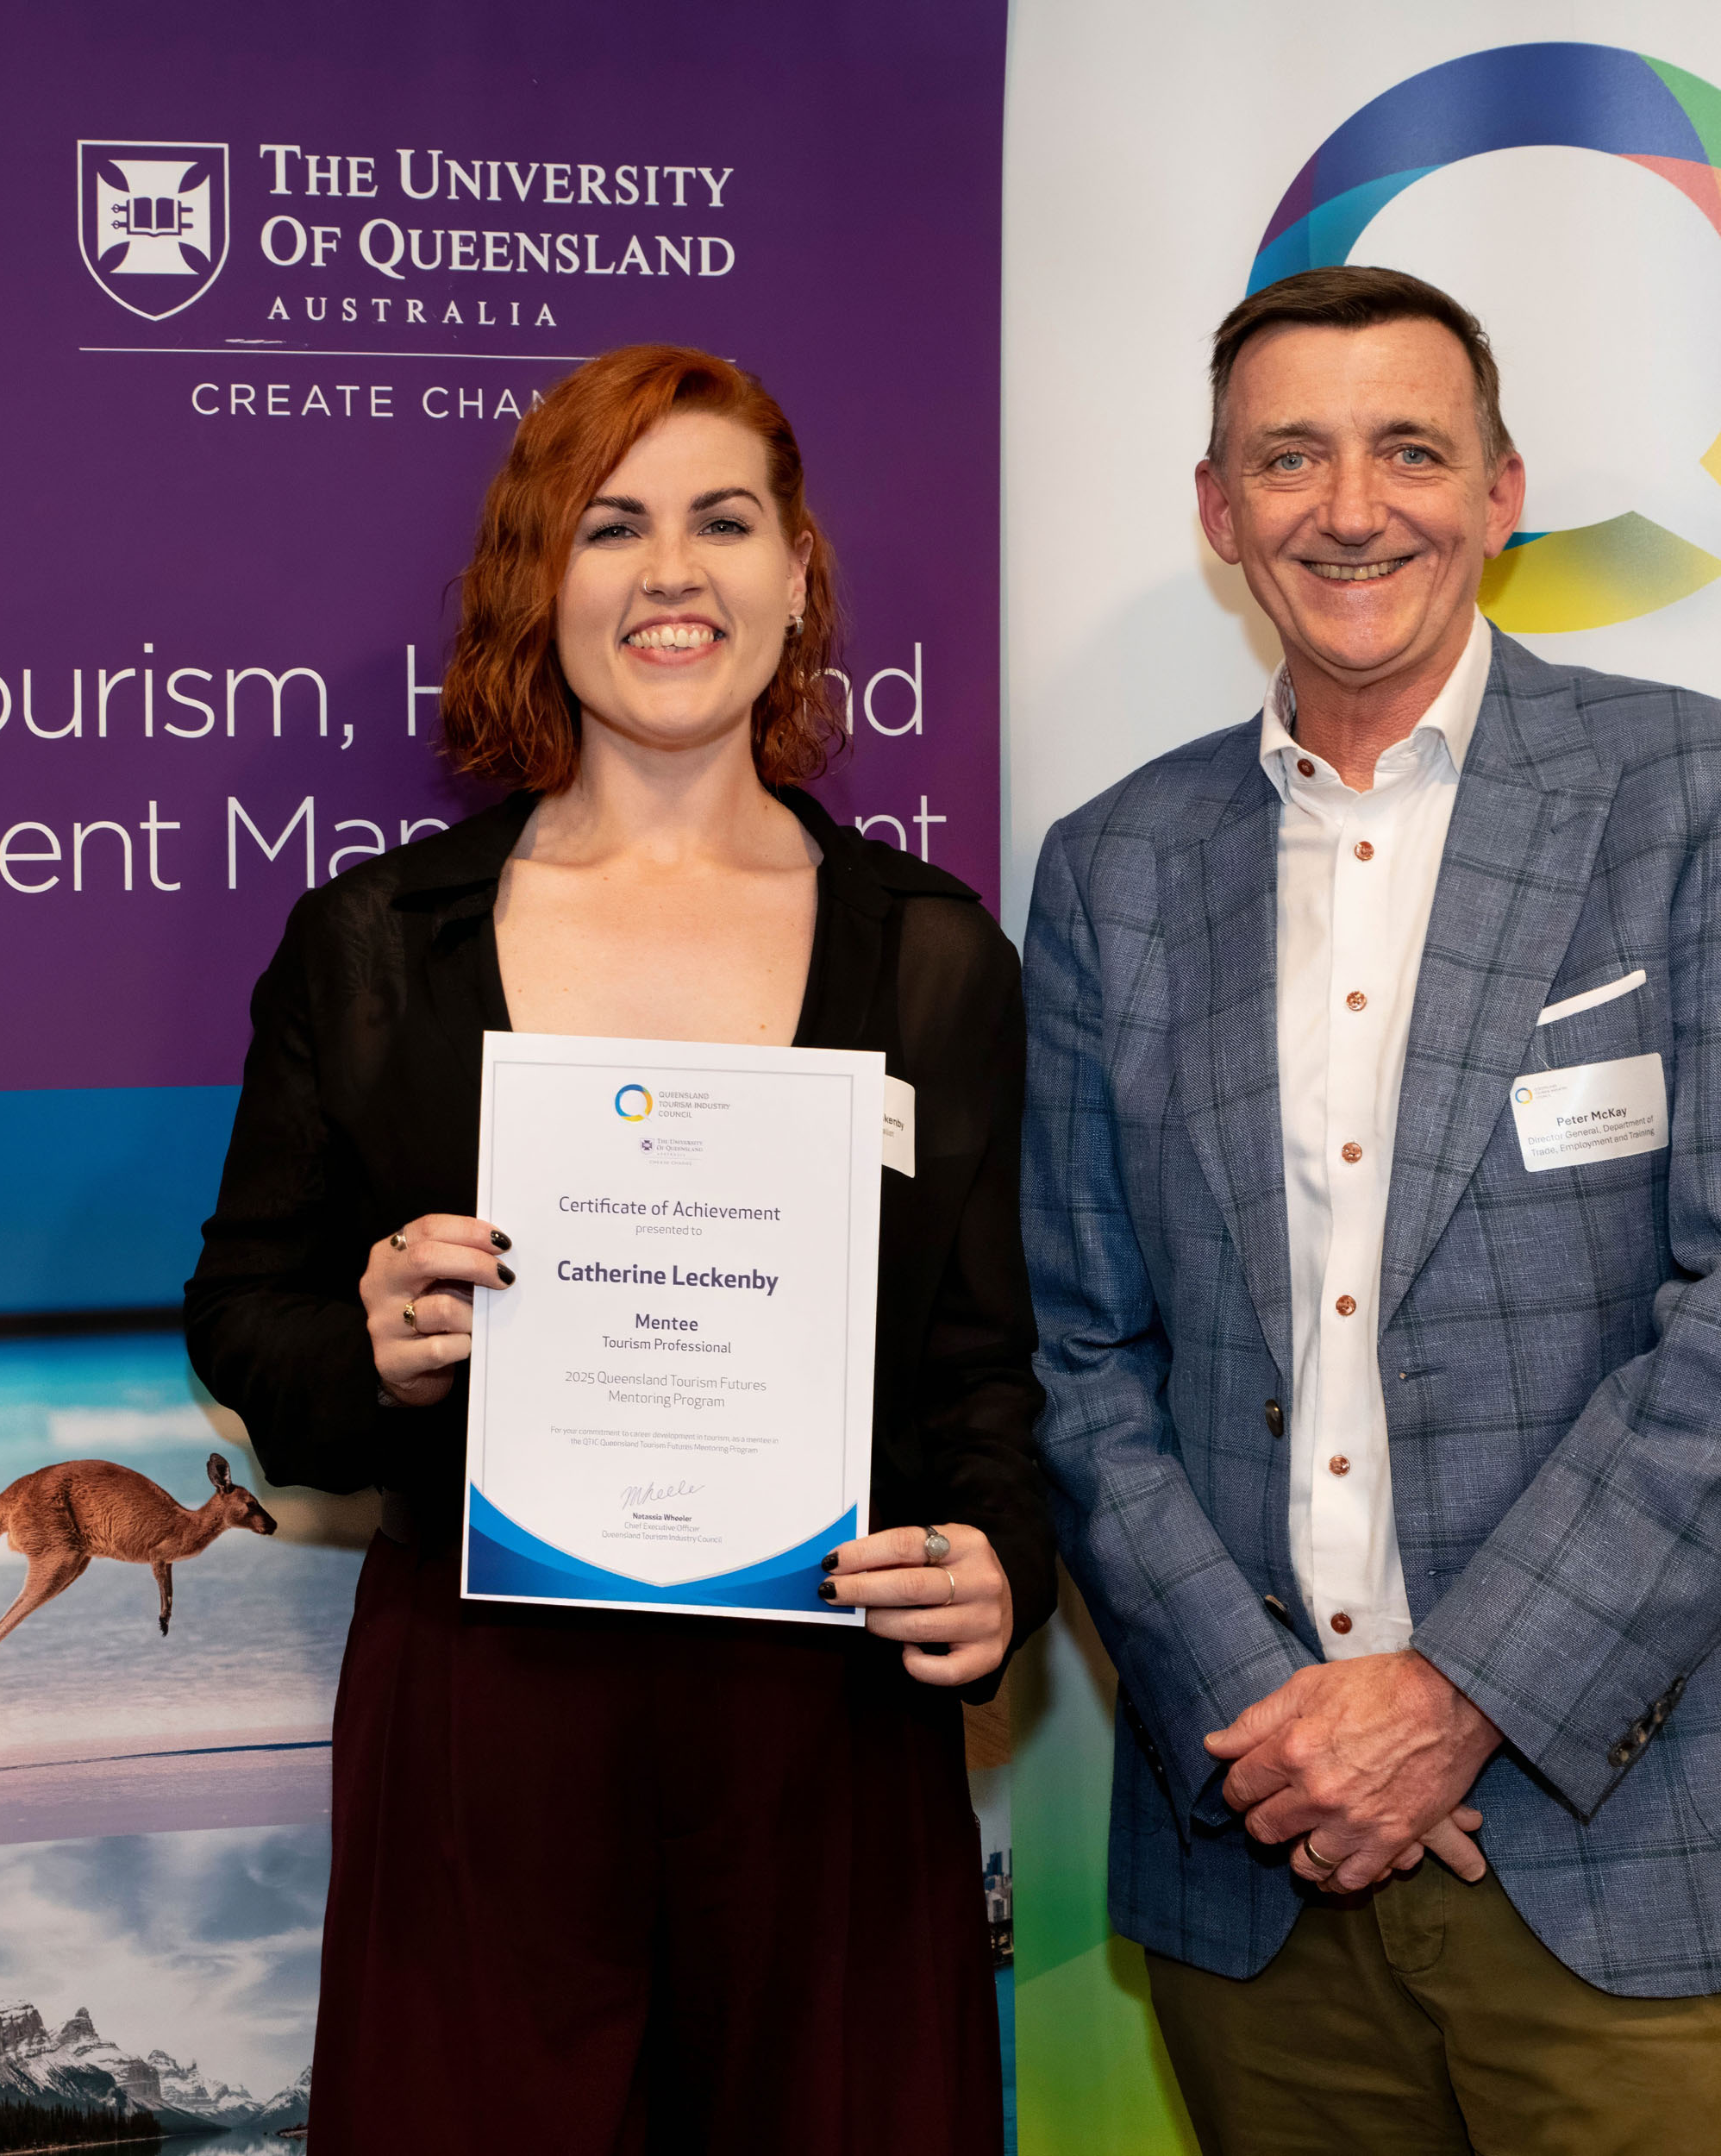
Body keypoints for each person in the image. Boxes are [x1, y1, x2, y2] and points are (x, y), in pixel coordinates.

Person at [1020, 266, 1721, 2155]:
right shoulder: (1114, 867)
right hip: (1261, 1857)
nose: (1349, 507)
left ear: (1500, 490)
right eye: (1288, 457)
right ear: (1217, 508)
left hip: (1660, 1848)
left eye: (1408, 449)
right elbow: (1079, 1347)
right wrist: (1272, 1721)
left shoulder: (1711, 795)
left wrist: (1454, 1698)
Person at [186, 343, 1052, 2155]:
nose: (673, 573)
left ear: (796, 574)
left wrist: (995, 1572)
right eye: (611, 526)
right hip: (483, 1732)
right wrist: (367, 1344)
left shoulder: (931, 955)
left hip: (825, 1734)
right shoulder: (377, 946)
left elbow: (983, 1373)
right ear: (540, 580)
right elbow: (249, 1321)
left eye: (723, 522)